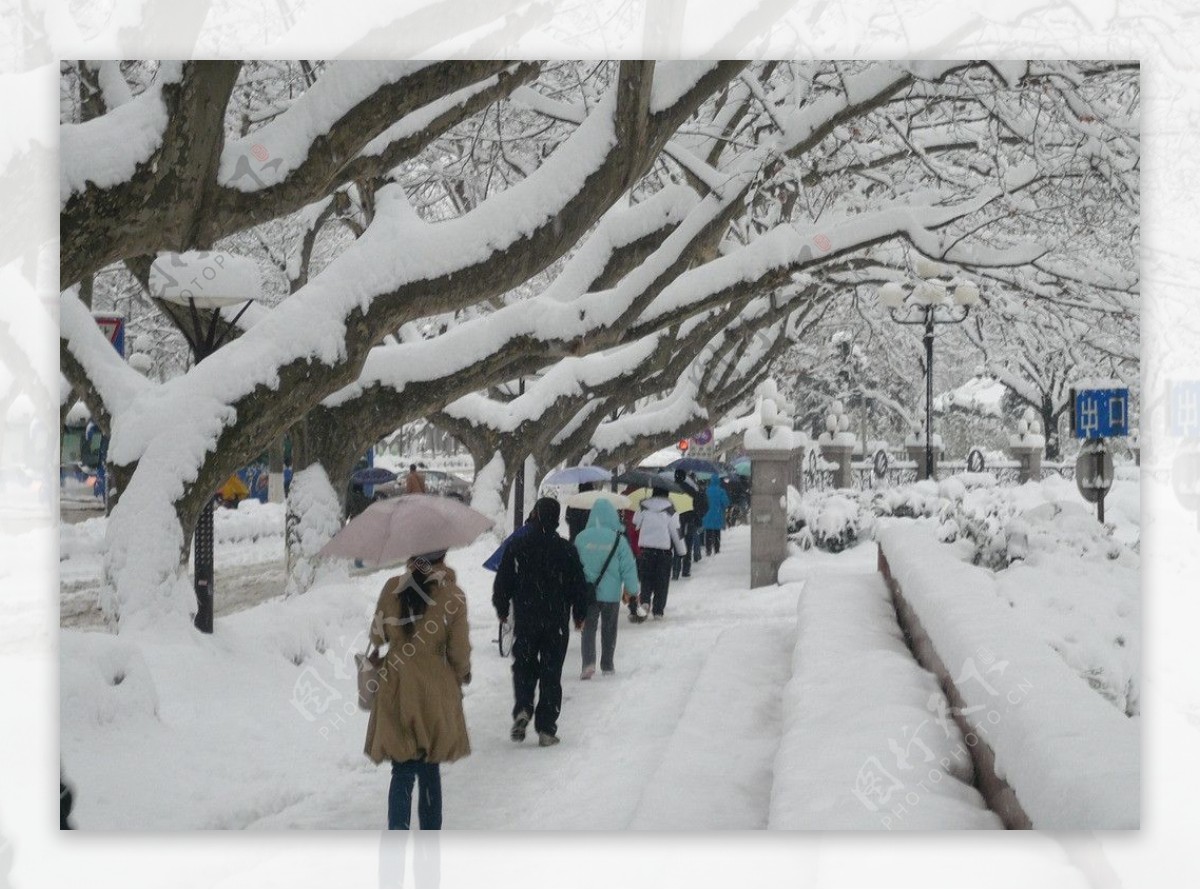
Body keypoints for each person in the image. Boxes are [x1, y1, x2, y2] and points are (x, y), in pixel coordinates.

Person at [364, 550, 471, 830]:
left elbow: (377, 636)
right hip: (434, 688)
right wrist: (462, 673)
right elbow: (458, 651)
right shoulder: (453, 595)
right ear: (443, 556)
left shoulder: (392, 588)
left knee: (401, 769)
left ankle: (397, 836)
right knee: (429, 766)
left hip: (396, 685)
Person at [493, 497, 588, 746]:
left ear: (535, 515)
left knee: (523, 665)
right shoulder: (566, 550)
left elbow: (503, 581)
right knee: (551, 672)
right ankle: (546, 727)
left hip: (526, 617)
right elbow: (579, 585)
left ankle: (524, 705)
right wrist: (579, 614)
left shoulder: (518, 546)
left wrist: (502, 608)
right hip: (555, 620)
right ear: (556, 519)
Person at [573, 499, 640, 678]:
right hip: (611, 595)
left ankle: (588, 663)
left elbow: (574, 565)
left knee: (588, 628)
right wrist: (632, 590)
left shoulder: (581, 538)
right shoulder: (618, 539)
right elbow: (628, 567)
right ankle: (607, 664)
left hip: (589, 593)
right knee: (609, 628)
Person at [632, 486, 686, 621]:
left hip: (646, 550)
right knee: (661, 582)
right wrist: (682, 551)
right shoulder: (670, 510)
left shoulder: (643, 507)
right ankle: (658, 610)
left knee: (646, 579)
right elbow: (676, 533)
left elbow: (635, 523)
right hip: (663, 552)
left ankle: (645, 601)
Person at [672, 469, 699, 580]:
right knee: (687, 545)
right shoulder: (690, 489)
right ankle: (686, 570)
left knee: (676, 545)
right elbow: (696, 504)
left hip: (674, 520)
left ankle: (675, 570)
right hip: (688, 520)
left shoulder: (670, 488)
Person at [702, 474, 731, 555]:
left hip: (707, 514)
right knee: (717, 533)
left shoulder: (706, 490)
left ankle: (708, 549)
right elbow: (726, 503)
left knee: (708, 533)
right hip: (718, 514)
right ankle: (717, 549)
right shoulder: (721, 491)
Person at [688, 472, 708, 564]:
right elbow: (705, 504)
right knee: (696, 534)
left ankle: (687, 555)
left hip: (686, 515)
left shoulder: (684, 490)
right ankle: (696, 553)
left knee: (686, 536)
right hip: (697, 515)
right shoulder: (699, 491)